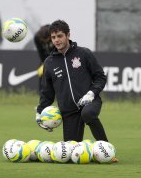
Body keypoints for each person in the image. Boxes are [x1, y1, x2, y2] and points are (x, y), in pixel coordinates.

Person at [35, 20, 117, 162]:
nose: (56, 40)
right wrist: (39, 113)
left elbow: (100, 77)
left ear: (68, 35)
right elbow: (47, 92)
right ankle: (89, 151)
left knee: (88, 114)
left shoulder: (84, 53)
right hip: (69, 110)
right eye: (53, 38)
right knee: (70, 154)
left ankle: (107, 151)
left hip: (90, 101)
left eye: (60, 36)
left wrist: (91, 93)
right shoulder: (49, 62)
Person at [34, 24, 54, 93]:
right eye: (43, 40)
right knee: (41, 72)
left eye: (47, 40)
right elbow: (41, 52)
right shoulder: (36, 37)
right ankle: (42, 94)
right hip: (45, 58)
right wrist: (44, 63)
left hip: (57, 58)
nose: (45, 42)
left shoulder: (54, 35)